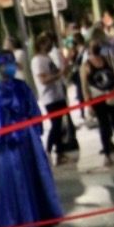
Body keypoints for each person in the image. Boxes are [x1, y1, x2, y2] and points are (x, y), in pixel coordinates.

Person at [0, 50, 64, 227]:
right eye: (2, 64)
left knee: (37, 179)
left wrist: (35, 131)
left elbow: (34, 111)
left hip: (28, 141)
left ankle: (46, 220)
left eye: (9, 63)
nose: (6, 68)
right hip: (5, 146)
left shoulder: (21, 86)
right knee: (9, 185)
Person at [82, 40, 114, 164]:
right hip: (98, 99)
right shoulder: (86, 65)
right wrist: (88, 104)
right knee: (105, 126)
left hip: (112, 95)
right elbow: (85, 87)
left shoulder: (108, 60)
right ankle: (108, 152)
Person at [31, 35, 78, 165]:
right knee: (56, 124)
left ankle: (60, 151)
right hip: (49, 97)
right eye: (47, 42)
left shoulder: (47, 58)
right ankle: (49, 149)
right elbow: (43, 79)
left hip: (58, 94)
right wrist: (58, 75)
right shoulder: (38, 61)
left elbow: (58, 71)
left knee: (61, 124)